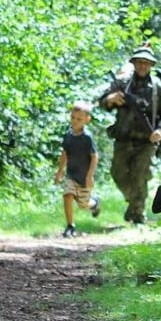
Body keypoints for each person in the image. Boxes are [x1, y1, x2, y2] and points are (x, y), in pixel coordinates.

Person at [97, 46, 161, 223]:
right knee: (118, 173)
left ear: (151, 65)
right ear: (133, 63)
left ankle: (138, 215)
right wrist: (110, 100)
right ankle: (133, 204)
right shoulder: (122, 82)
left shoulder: (158, 88)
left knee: (140, 175)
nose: (142, 66)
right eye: (139, 62)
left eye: (146, 63)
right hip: (123, 138)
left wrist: (160, 130)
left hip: (147, 141)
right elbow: (102, 101)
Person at [53, 100, 101, 238]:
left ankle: (95, 203)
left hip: (84, 177)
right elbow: (65, 154)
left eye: (79, 119)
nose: (75, 121)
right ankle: (70, 226)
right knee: (67, 195)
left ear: (87, 119)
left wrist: (90, 176)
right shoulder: (68, 135)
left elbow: (94, 157)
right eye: (73, 118)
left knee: (83, 204)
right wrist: (59, 172)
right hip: (71, 175)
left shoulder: (87, 138)